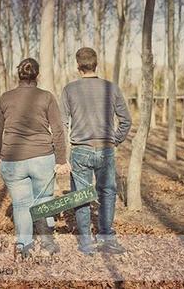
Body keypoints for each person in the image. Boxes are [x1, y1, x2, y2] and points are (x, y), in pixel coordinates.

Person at [0, 58, 70, 256]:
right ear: (37, 75)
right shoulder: (46, 97)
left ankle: (24, 246)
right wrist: (61, 159)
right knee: (44, 199)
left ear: (18, 75)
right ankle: (47, 245)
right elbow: (58, 130)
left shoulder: (5, 98)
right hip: (42, 157)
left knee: (20, 204)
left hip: (12, 159)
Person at [61, 47, 132, 255]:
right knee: (108, 193)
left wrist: (62, 154)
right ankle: (106, 238)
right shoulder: (112, 88)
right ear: (96, 64)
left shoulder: (69, 89)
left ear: (78, 66)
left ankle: (85, 243)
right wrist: (114, 140)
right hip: (106, 149)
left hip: (80, 150)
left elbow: (61, 124)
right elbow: (126, 121)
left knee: (81, 196)